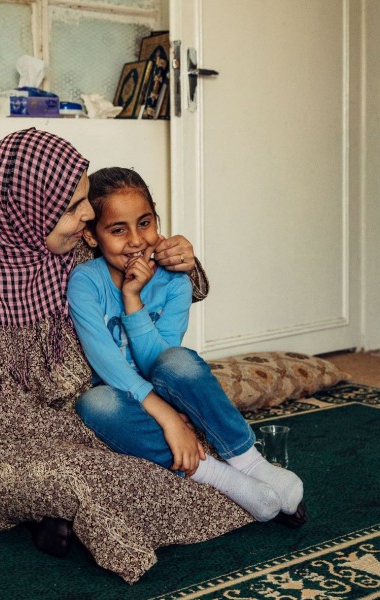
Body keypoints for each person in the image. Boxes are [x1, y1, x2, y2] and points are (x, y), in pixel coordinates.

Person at [0, 128, 258, 585]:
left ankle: (55, 517)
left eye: (84, 203)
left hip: (89, 406)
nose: (86, 216)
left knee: (177, 440)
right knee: (97, 471)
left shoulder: (71, 247)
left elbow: (147, 266)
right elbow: (8, 421)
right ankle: (59, 509)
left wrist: (184, 259)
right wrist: (111, 428)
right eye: (71, 206)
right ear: (27, 208)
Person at [68, 167, 307, 525]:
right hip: (124, 396)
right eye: (118, 230)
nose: (135, 240)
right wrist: (167, 420)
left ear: (158, 221)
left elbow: (158, 360)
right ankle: (218, 476)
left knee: (178, 361)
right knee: (94, 403)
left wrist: (133, 300)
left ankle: (249, 461)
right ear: (91, 236)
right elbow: (104, 362)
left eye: (145, 223)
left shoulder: (176, 280)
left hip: (166, 387)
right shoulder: (86, 282)